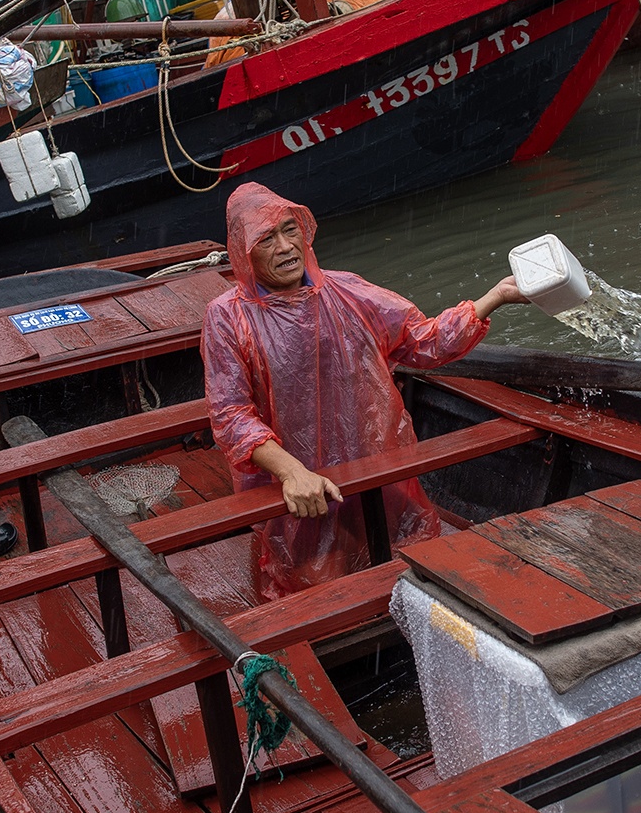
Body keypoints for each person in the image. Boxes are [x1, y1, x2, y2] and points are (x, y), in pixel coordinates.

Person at [202, 182, 529, 600]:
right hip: (297, 481)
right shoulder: (227, 318)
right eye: (267, 238)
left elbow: (422, 341)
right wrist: (290, 471)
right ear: (245, 252)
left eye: (290, 229)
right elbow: (230, 415)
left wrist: (495, 297)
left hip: (371, 461)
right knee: (314, 585)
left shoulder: (347, 291)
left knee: (405, 561)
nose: (285, 246)